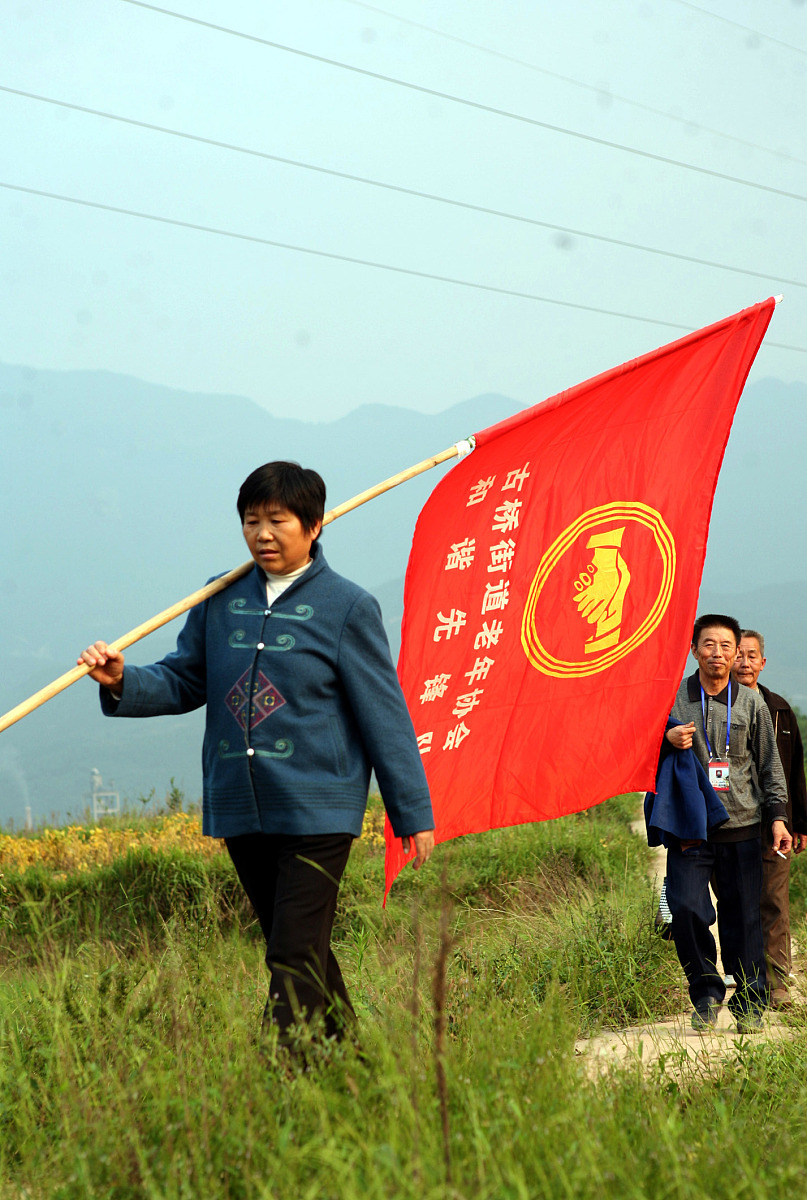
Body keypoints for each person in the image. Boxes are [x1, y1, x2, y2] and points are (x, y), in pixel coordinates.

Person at [78, 461, 435, 1045]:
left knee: (292, 954)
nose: (262, 534)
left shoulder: (347, 607)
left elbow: (384, 713)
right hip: (242, 807)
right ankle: (356, 1076)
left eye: (278, 520)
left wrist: (411, 811)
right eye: (251, 521)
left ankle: (282, 1082)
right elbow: (185, 680)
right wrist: (121, 680)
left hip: (318, 811)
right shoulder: (220, 597)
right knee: (301, 949)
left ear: (314, 525)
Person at [664, 614, 791, 1033]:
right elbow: (640, 752)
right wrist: (666, 741)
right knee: (683, 908)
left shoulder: (752, 703)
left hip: (742, 825)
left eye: (725, 646)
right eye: (708, 644)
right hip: (689, 827)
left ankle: (750, 1001)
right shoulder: (675, 698)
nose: (716, 653)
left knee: (743, 918)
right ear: (694, 649)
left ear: (736, 653)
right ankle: (705, 992)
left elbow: (770, 767)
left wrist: (778, 818)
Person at [732, 629, 807, 1009]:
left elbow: (794, 771)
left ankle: (777, 983)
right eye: (739, 655)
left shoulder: (779, 709)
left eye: (752, 655)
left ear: (763, 662)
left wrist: (800, 822)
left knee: (774, 900)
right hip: (728, 823)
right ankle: (744, 976)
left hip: (775, 824)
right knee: (736, 901)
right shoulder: (715, 705)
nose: (744, 662)